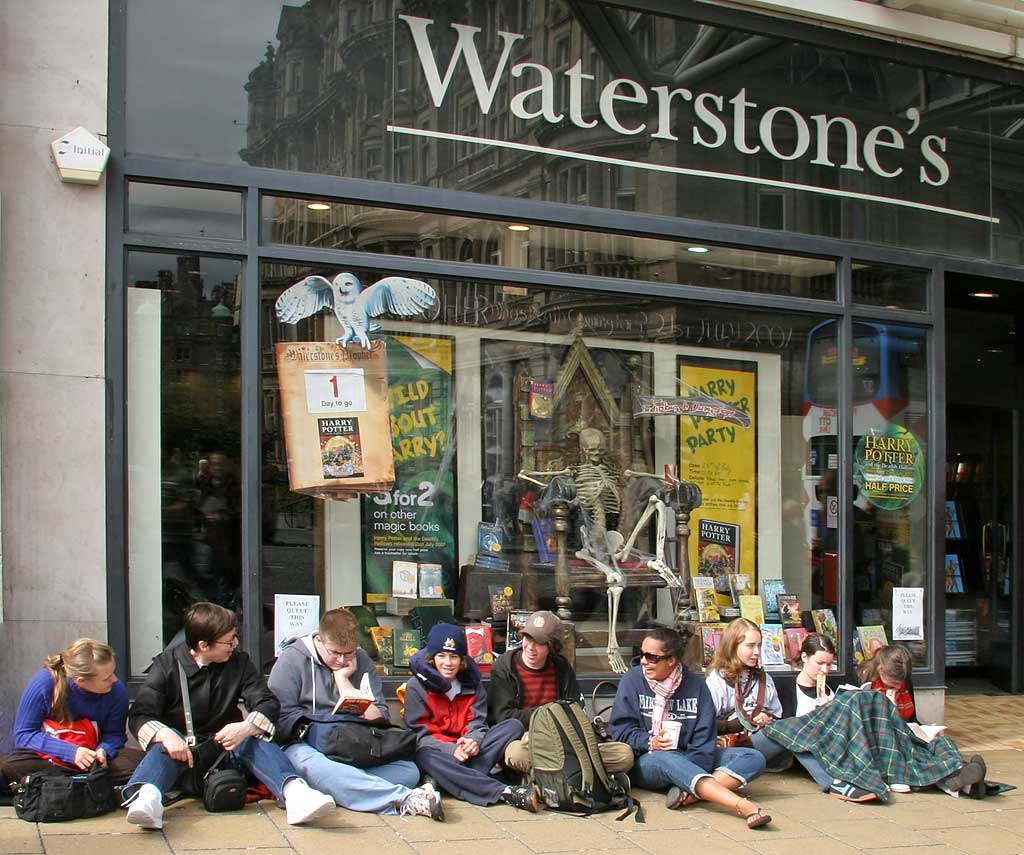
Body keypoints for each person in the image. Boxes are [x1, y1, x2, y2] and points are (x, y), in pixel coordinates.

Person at [122, 602, 335, 830]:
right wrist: (164, 734)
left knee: (251, 737)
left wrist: (245, 728)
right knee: (167, 742)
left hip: (224, 750)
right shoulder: (166, 665)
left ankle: (296, 793)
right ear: (204, 645)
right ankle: (148, 799)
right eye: (229, 640)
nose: (235, 644)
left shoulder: (239, 662)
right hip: (181, 753)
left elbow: (267, 701)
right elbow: (140, 713)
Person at [267, 607, 443, 820]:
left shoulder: (362, 661)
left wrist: (345, 685)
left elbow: (381, 719)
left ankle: (337, 787)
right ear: (320, 641)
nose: (342, 661)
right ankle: (404, 799)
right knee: (311, 766)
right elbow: (280, 719)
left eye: (348, 653)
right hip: (307, 746)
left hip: (354, 745)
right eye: (335, 653)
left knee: (408, 771)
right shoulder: (292, 660)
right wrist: (323, 726)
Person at [763, 639, 987, 801]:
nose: (825, 670)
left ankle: (956, 776)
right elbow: (793, 727)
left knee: (931, 745)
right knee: (907, 747)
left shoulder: (832, 688)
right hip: (835, 740)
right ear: (804, 658)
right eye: (820, 664)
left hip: (885, 733)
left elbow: (909, 719)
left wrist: (918, 725)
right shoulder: (786, 685)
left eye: (829, 664)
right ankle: (951, 779)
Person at [609, 626, 772, 829]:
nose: (643, 661)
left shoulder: (696, 686)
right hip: (648, 759)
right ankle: (741, 805)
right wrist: (650, 741)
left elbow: (705, 737)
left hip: (690, 755)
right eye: (642, 654)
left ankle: (689, 793)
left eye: (651, 657)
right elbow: (621, 731)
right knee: (666, 757)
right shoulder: (632, 680)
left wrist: (690, 768)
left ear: (671, 660)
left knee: (752, 758)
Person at [403, 623, 539, 811]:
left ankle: (445, 780)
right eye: (441, 656)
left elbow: (477, 722)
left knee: (513, 726)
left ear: (462, 660)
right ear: (432, 658)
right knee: (424, 755)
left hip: (470, 752)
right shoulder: (416, 687)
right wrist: (451, 750)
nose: (448, 663)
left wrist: (472, 740)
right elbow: (420, 734)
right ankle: (504, 791)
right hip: (439, 752)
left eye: (454, 657)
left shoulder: (471, 684)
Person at [487, 610, 633, 775]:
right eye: (528, 638)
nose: (530, 647)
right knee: (515, 754)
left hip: (563, 740)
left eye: (539, 642)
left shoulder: (561, 668)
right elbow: (504, 718)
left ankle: (553, 777)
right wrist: (545, 722)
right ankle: (576, 775)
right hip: (527, 741)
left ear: (552, 647)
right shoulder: (505, 667)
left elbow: (574, 710)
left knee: (624, 754)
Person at [1, 639, 142, 793]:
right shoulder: (44, 683)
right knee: (8, 766)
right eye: (106, 678)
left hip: (93, 757)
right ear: (81, 681)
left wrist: (104, 751)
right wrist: (72, 753)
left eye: (113, 673)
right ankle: (85, 785)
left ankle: (62, 785)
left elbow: (115, 734)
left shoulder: (117, 691)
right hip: (53, 757)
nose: (114, 680)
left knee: (141, 764)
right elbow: (24, 734)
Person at [703, 618, 788, 775]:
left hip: (759, 740)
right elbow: (704, 725)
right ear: (733, 647)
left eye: (759, 645)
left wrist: (766, 718)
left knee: (791, 729)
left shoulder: (764, 679)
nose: (757, 652)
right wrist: (737, 725)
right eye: (750, 646)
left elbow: (778, 719)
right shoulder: (717, 680)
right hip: (729, 745)